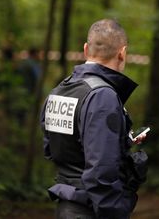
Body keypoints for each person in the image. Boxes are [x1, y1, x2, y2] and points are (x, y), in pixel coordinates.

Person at [41, 19, 148, 219]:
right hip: (92, 210)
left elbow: (52, 148)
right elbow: (101, 171)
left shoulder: (60, 90)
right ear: (122, 53)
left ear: (85, 49)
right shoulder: (102, 96)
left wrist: (121, 141)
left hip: (66, 206)